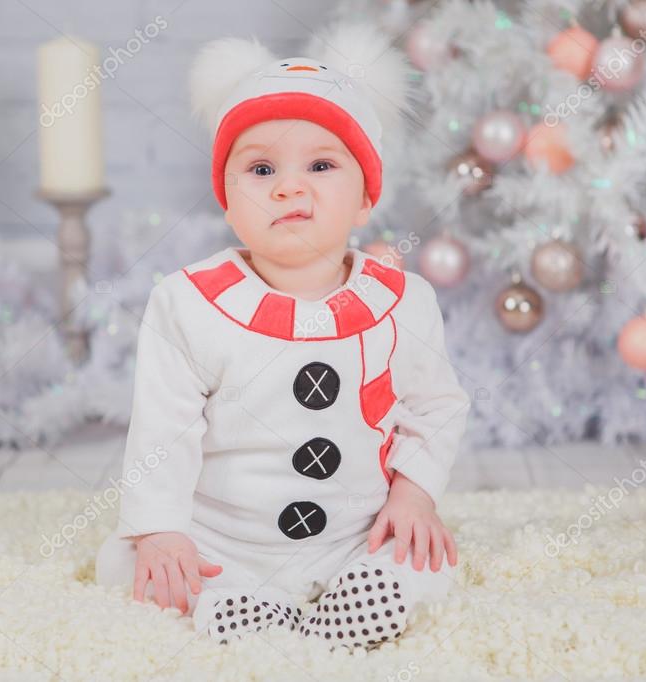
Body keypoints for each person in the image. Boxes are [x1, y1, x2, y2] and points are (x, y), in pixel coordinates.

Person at [95, 23, 471, 652]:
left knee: (430, 559)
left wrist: (413, 495)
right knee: (127, 563)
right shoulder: (187, 303)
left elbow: (435, 407)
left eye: (321, 165)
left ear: (365, 198)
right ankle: (234, 600)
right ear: (227, 201)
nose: (288, 187)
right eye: (261, 168)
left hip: (355, 535)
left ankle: (359, 597)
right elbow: (163, 429)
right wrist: (161, 529)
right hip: (222, 539)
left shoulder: (404, 302)